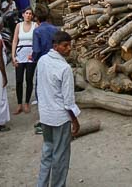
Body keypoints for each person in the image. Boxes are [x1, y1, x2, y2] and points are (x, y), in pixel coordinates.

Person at [35, 30, 80, 187]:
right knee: (60, 156)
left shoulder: (42, 61)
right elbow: (68, 101)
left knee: (47, 151)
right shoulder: (65, 68)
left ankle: (41, 184)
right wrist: (75, 121)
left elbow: (38, 87)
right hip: (60, 118)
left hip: (46, 115)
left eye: (70, 45)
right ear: (56, 46)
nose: (69, 49)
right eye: (65, 46)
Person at [31, 6, 59, 134]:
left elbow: (36, 50)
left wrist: (33, 58)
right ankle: (56, 119)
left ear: (36, 18)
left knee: (41, 92)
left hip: (43, 63)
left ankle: (45, 122)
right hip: (55, 62)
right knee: (55, 90)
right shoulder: (55, 29)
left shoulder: (37, 31)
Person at [11, 7, 38, 115]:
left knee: (29, 79)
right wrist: (13, 56)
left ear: (32, 16)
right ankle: (19, 104)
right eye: (26, 13)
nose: (28, 15)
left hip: (30, 56)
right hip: (20, 55)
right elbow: (14, 41)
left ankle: (26, 102)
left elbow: (37, 41)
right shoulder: (19, 25)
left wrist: (35, 54)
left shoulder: (35, 26)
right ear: (23, 15)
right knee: (18, 80)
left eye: (30, 14)